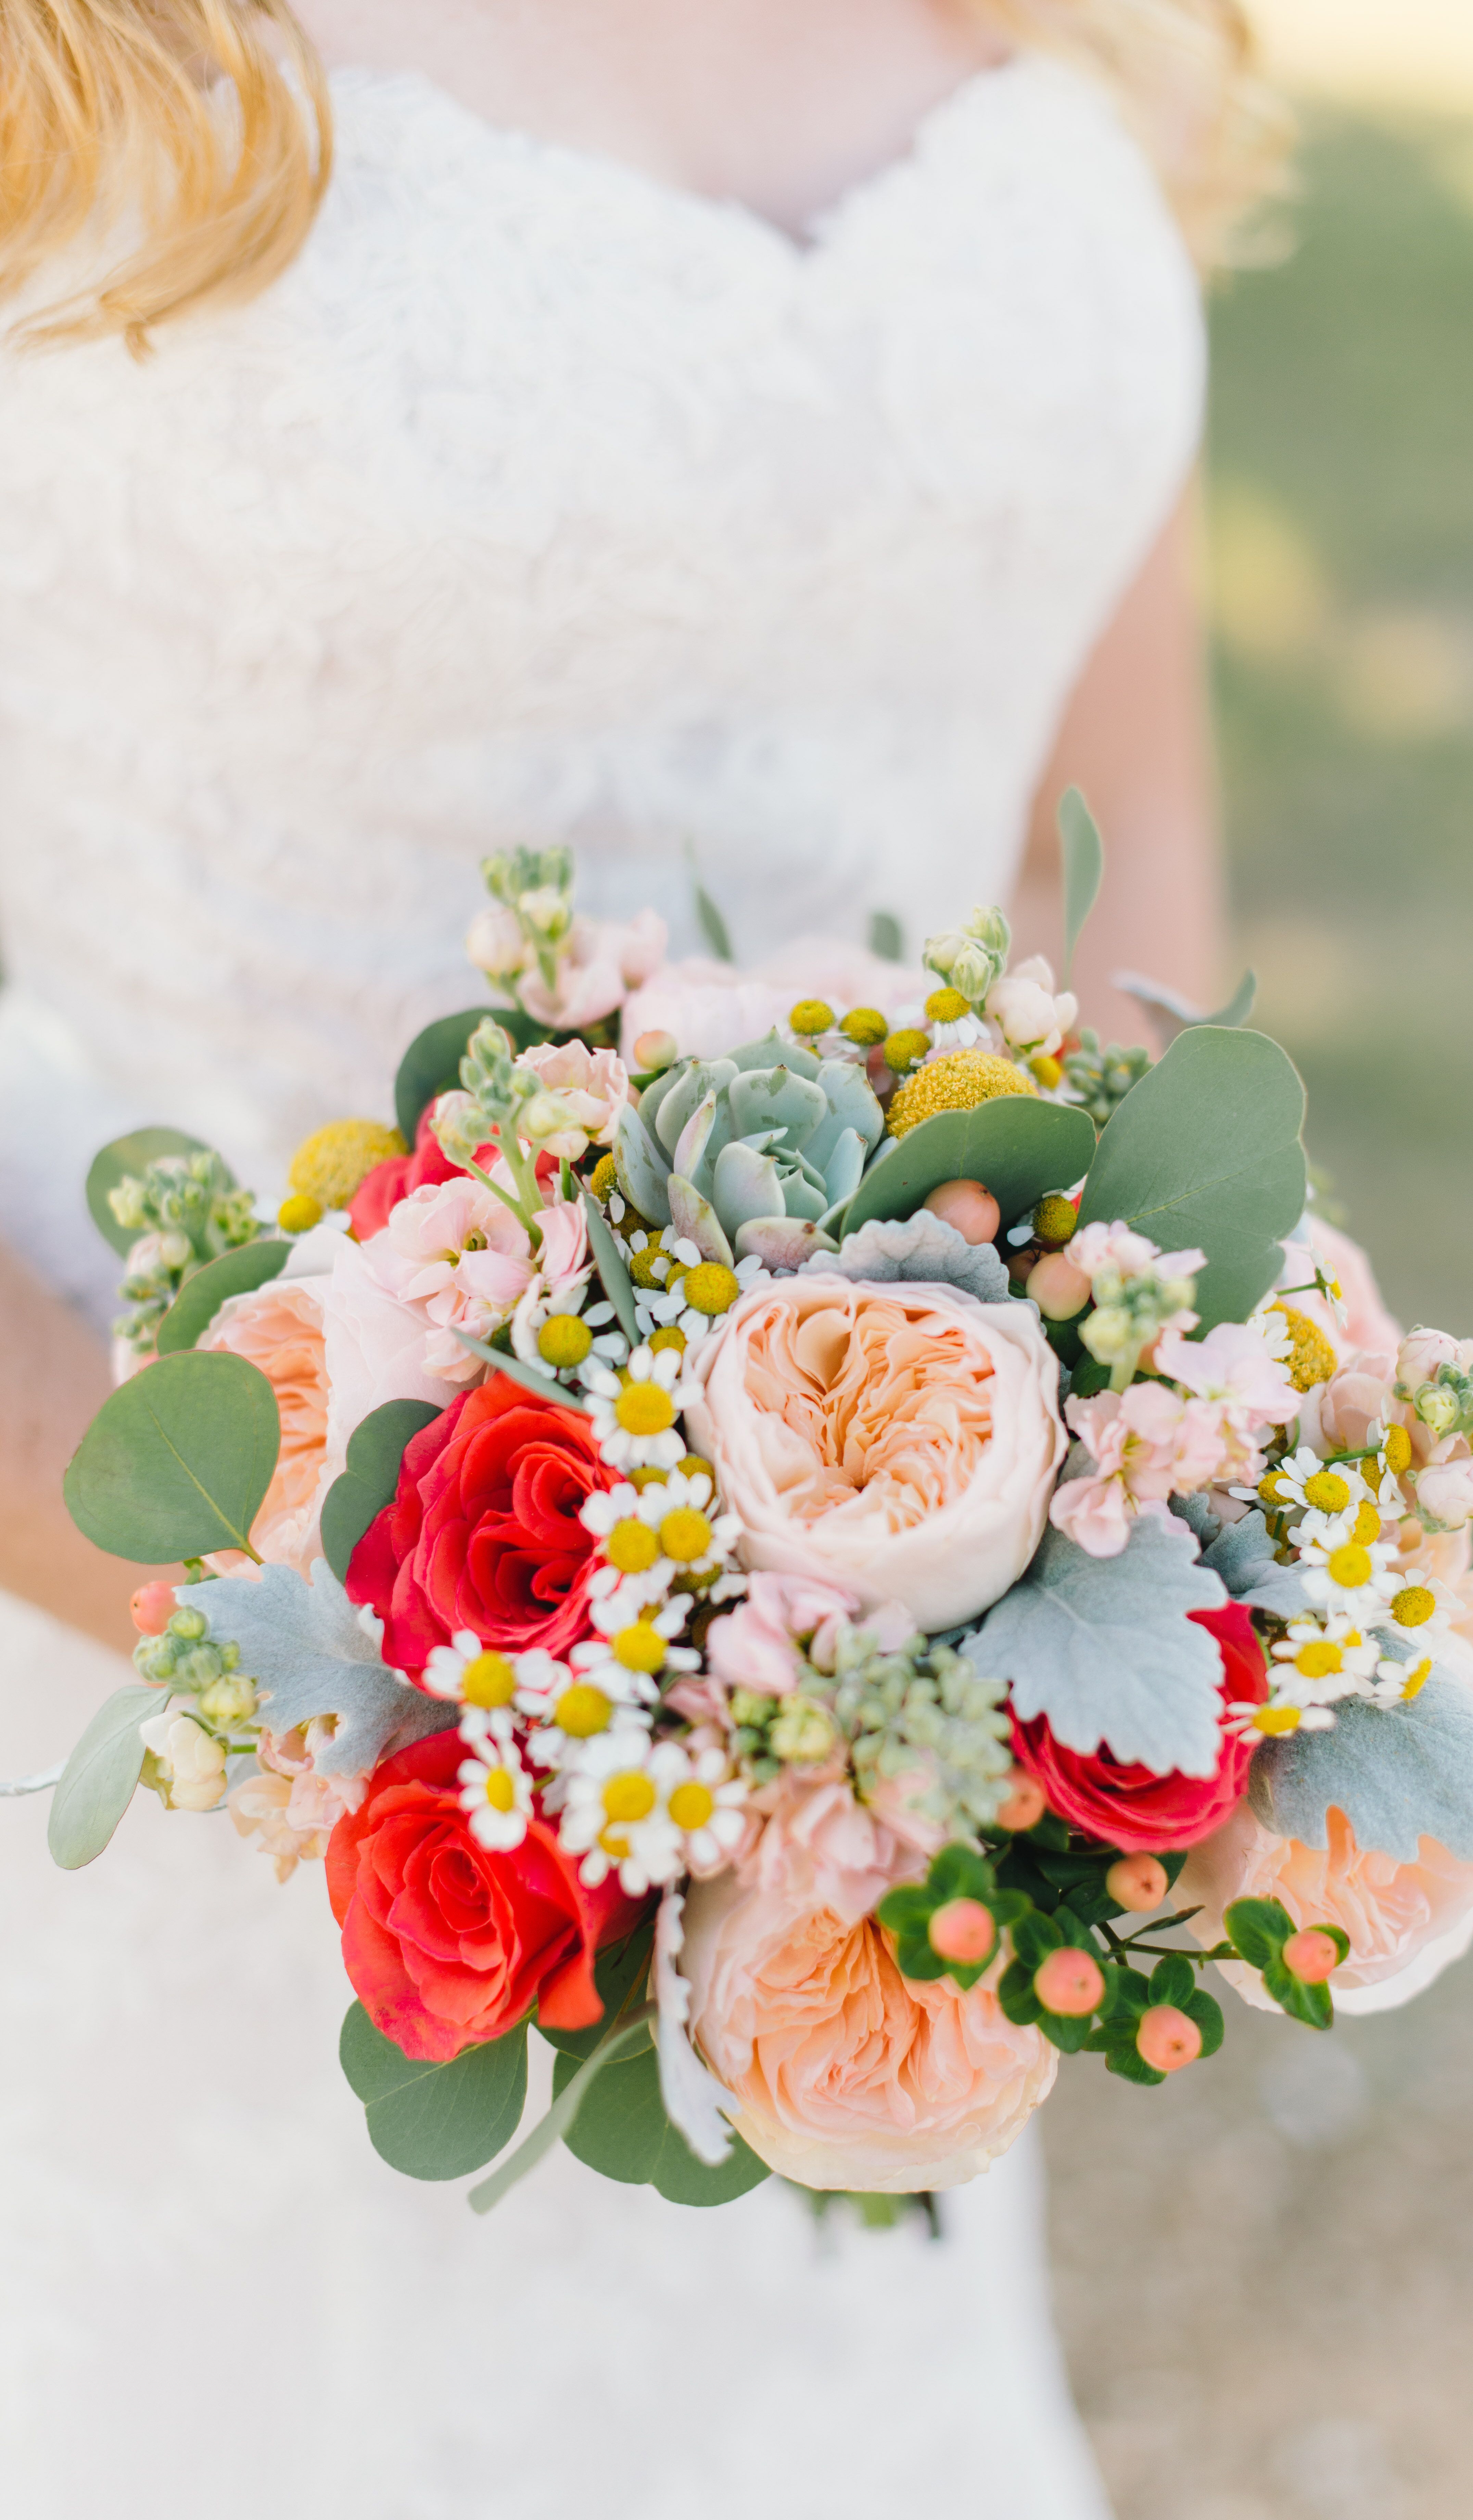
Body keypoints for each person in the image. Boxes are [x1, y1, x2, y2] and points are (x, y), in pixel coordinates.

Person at [0, 6, 1285, 2513]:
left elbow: (1093, 865)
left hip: (877, 1783)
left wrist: (1132, 1522)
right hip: (197, 1673)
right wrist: (496, 1713)